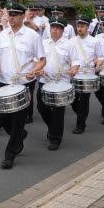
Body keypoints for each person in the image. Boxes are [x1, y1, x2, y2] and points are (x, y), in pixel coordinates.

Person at [0, 0, 46, 169]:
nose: (11, 18)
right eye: (9, 14)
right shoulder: (2, 34)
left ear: (23, 17)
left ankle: (10, 154)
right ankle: (20, 135)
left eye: (15, 15)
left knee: (17, 120)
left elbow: (42, 60)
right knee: (0, 116)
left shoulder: (33, 36)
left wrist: (34, 70)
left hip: (23, 83)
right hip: (4, 82)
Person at [36, 16, 80, 151]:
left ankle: (55, 139)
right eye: (53, 27)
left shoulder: (69, 44)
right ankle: (52, 127)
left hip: (61, 83)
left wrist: (74, 70)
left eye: (58, 28)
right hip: (45, 81)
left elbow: (76, 62)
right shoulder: (43, 43)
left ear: (62, 31)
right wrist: (39, 69)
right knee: (41, 108)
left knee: (58, 113)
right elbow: (36, 60)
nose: (55, 30)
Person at [69, 14, 103, 134]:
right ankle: (81, 114)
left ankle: (80, 124)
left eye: (82, 26)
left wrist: (98, 64)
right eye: (78, 26)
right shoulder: (71, 41)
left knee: (84, 100)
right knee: (72, 100)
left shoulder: (94, 41)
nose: (79, 28)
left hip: (88, 74)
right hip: (74, 74)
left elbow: (100, 57)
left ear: (88, 27)